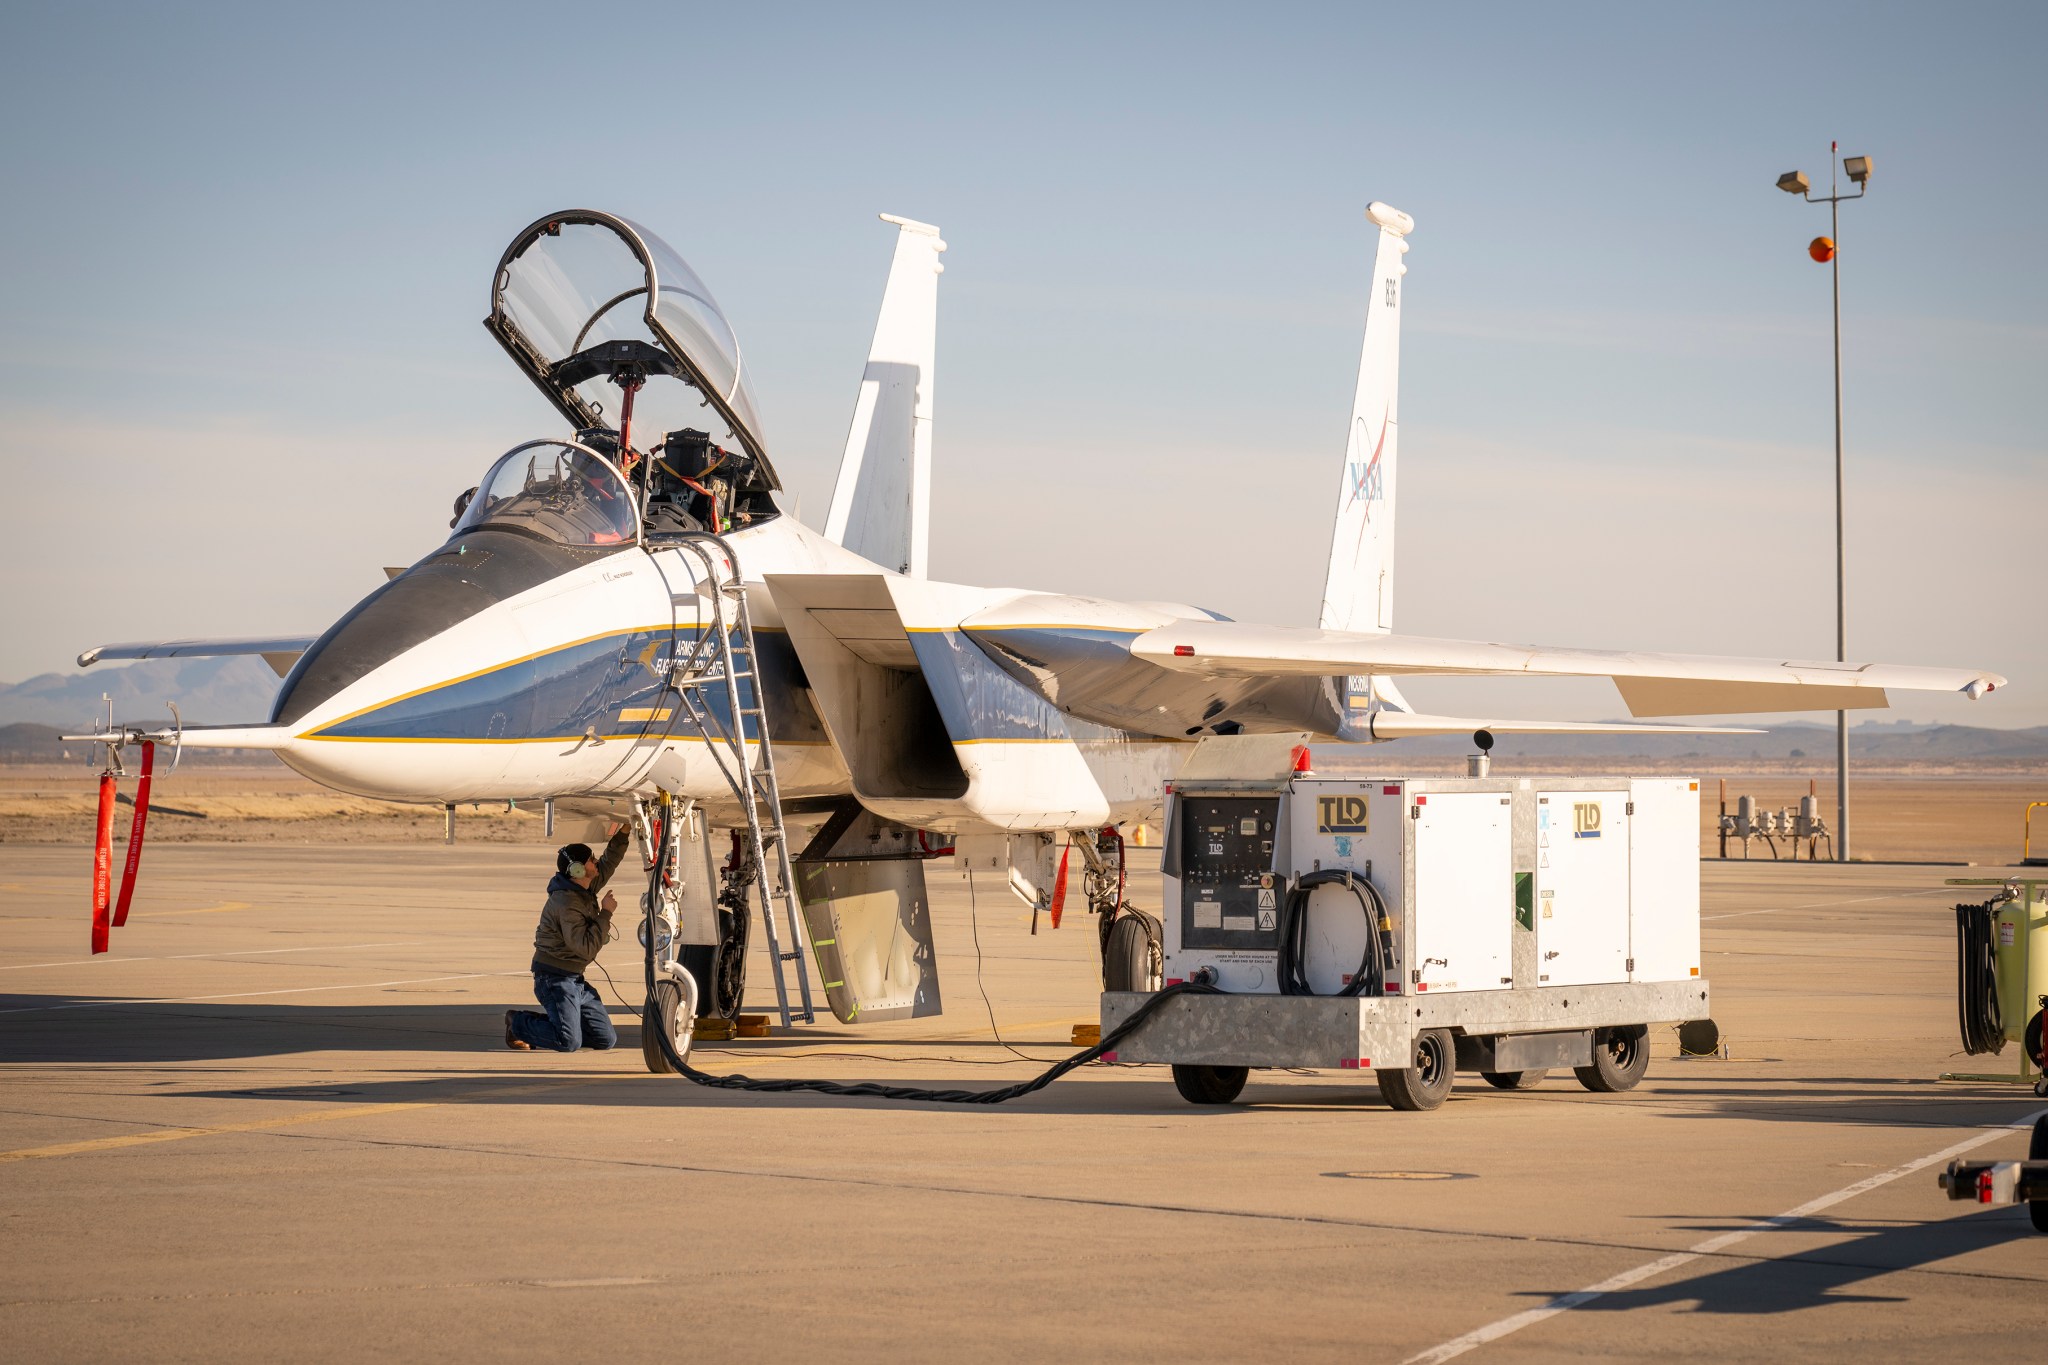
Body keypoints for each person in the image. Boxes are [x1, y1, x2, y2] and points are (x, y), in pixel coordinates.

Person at [505, 824, 632, 1052]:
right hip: (554, 979)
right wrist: (606, 913)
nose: (596, 863)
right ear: (577, 871)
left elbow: (608, 863)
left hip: (574, 979)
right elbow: (585, 949)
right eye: (591, 860)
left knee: (605, 1040)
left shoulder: (583, 887)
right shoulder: (567, 904)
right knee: (568, 1042)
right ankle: (517, 1023)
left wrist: (623, 835)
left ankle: (563, 1022)